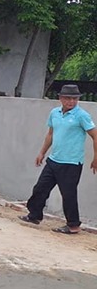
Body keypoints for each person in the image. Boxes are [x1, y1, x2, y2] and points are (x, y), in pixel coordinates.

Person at [20, 84, 97, 234]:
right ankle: (34, 216)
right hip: (54, 160)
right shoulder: (54, 113)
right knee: (40, 189)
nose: (71, 102)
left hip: (71, 163)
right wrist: (42, 152)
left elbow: (95, 136)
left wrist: (96, 158)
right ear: (60, 98)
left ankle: (73, 225)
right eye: (68, 98)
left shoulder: (82, 116)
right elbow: (50, 134)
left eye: (75, 99)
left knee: (68, 194)